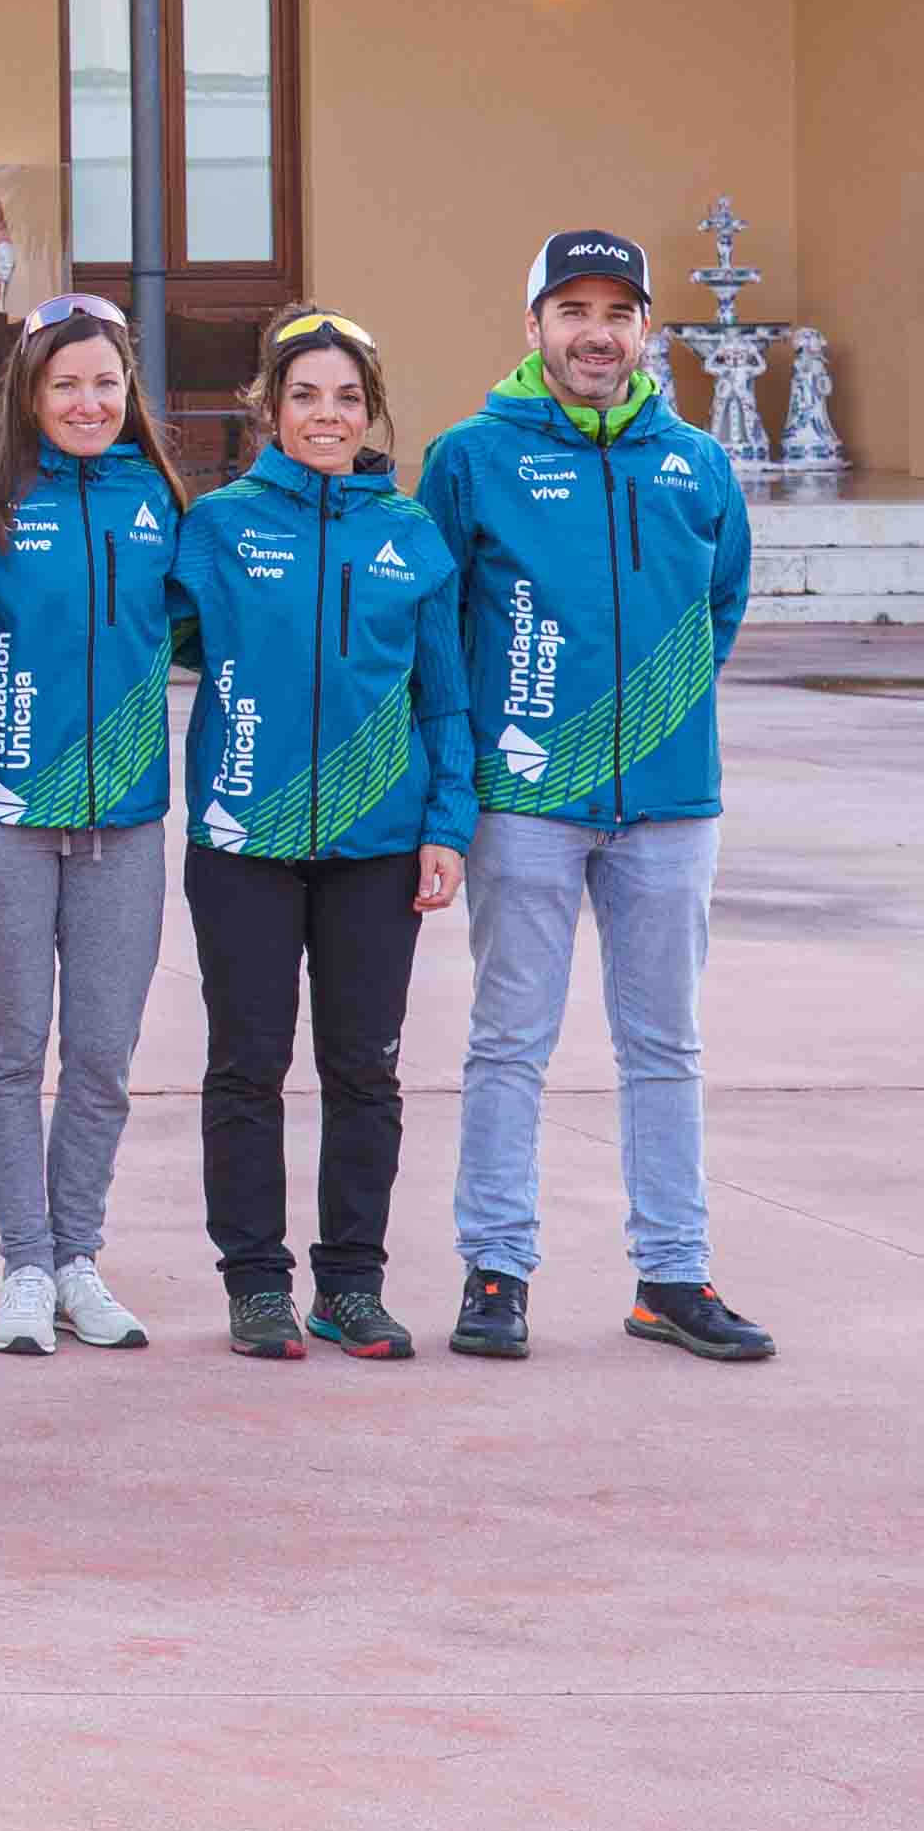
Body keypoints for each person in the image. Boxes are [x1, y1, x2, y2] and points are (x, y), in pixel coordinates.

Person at [423, 228, 771, 1367]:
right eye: (571, 309)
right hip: (523, 798)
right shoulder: (471, 457)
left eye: (617, 311)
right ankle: (496, 1269)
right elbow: (434, 624)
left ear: (645, 332)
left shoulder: (695, 461)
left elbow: (721, 603)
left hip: (671, 804)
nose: (595, 332)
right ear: (533, 327)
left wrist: (655, 717)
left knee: (665, 1042)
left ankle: (672, 1275)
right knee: (510, 1038)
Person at [171, 306, 469, 1364]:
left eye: (347, 396)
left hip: (378, 844)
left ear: (370, 410)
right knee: (247, 1064)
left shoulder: (413, 535)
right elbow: (140, 640)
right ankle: (256, 1282)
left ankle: (352, 1281)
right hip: (241, 839)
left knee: (364, 1068)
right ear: (269, 407)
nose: (327, 414)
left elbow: (446, 699)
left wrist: (447, 825)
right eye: (305, 394)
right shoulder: (215, 525)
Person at [0, 292, 188, 1359]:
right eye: (66, 383)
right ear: (29, 394)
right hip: (1, 815)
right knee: (13, 1047)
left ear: (129, 391)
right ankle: (25, 1265)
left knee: (101, 1051)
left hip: (125, 818)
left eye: (105, 382)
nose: (87, 401)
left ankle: (81, 1255)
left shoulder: (164, 499)